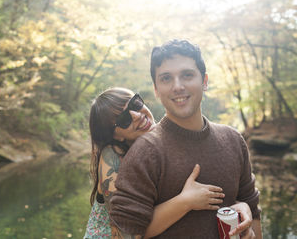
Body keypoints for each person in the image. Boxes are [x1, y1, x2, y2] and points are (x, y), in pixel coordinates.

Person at [109, 40, 262, 239]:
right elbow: (124, 233)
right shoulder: (145, 152)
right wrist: (184, 202)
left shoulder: (233, 140)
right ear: (156, 90)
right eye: (166, 78)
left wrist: (247, 223)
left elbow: (252, 209)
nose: (178, 86)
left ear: (204, 81)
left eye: (187, 75)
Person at [84, 87, 254, 239]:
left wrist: (240, 205)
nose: (136, 115)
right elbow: (125, 232)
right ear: (116, 136)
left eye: (135, 104)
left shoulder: (165, 140)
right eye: (123, 120)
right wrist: (185, 201)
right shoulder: (112, 156)